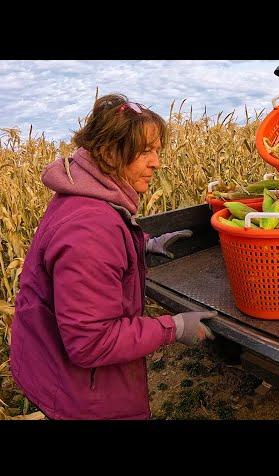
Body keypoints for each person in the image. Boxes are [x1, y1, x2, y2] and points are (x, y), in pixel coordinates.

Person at [9, 94, 216, 420]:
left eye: (157, 151)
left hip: (52, 365)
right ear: (108, 152)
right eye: (146, 151)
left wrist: (144, 243)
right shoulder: (90, 231)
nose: (156, 163)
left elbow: (99, 250)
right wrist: (173, 327)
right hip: (80, 394)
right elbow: (91, 342)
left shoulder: (83, 197)